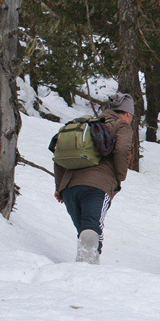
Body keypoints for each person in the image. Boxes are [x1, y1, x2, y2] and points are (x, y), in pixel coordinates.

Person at [54, 92, 135, 264]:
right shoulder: (122, 126)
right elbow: (122, 150)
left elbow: (60, 154)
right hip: (97, 186)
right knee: (92, 227)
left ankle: (87, 266)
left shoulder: (86, 126)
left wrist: (59, 186)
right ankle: (90, 269)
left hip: (69, 188)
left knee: (84, 232)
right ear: (128, 114)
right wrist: (119, 176)